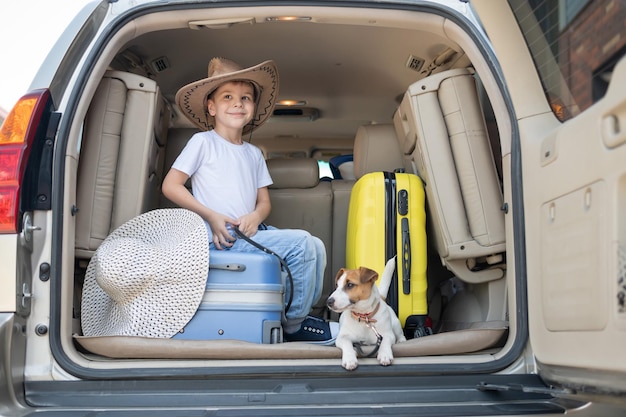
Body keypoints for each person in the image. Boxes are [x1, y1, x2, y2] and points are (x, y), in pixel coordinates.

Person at [162, 57, 337, 344]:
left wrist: (256, 217)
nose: (237, 103)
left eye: (245, 98)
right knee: (304, 244)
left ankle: (296, 315)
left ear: (253, 107)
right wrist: (212, 216)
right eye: (227, 97)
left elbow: (264, 203)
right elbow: (171, 185)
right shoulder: (202, 143)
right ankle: (294, 326)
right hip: (221, 237)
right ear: (211, 106)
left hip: (252, 232)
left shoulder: (254, 154)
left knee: (316, 245)